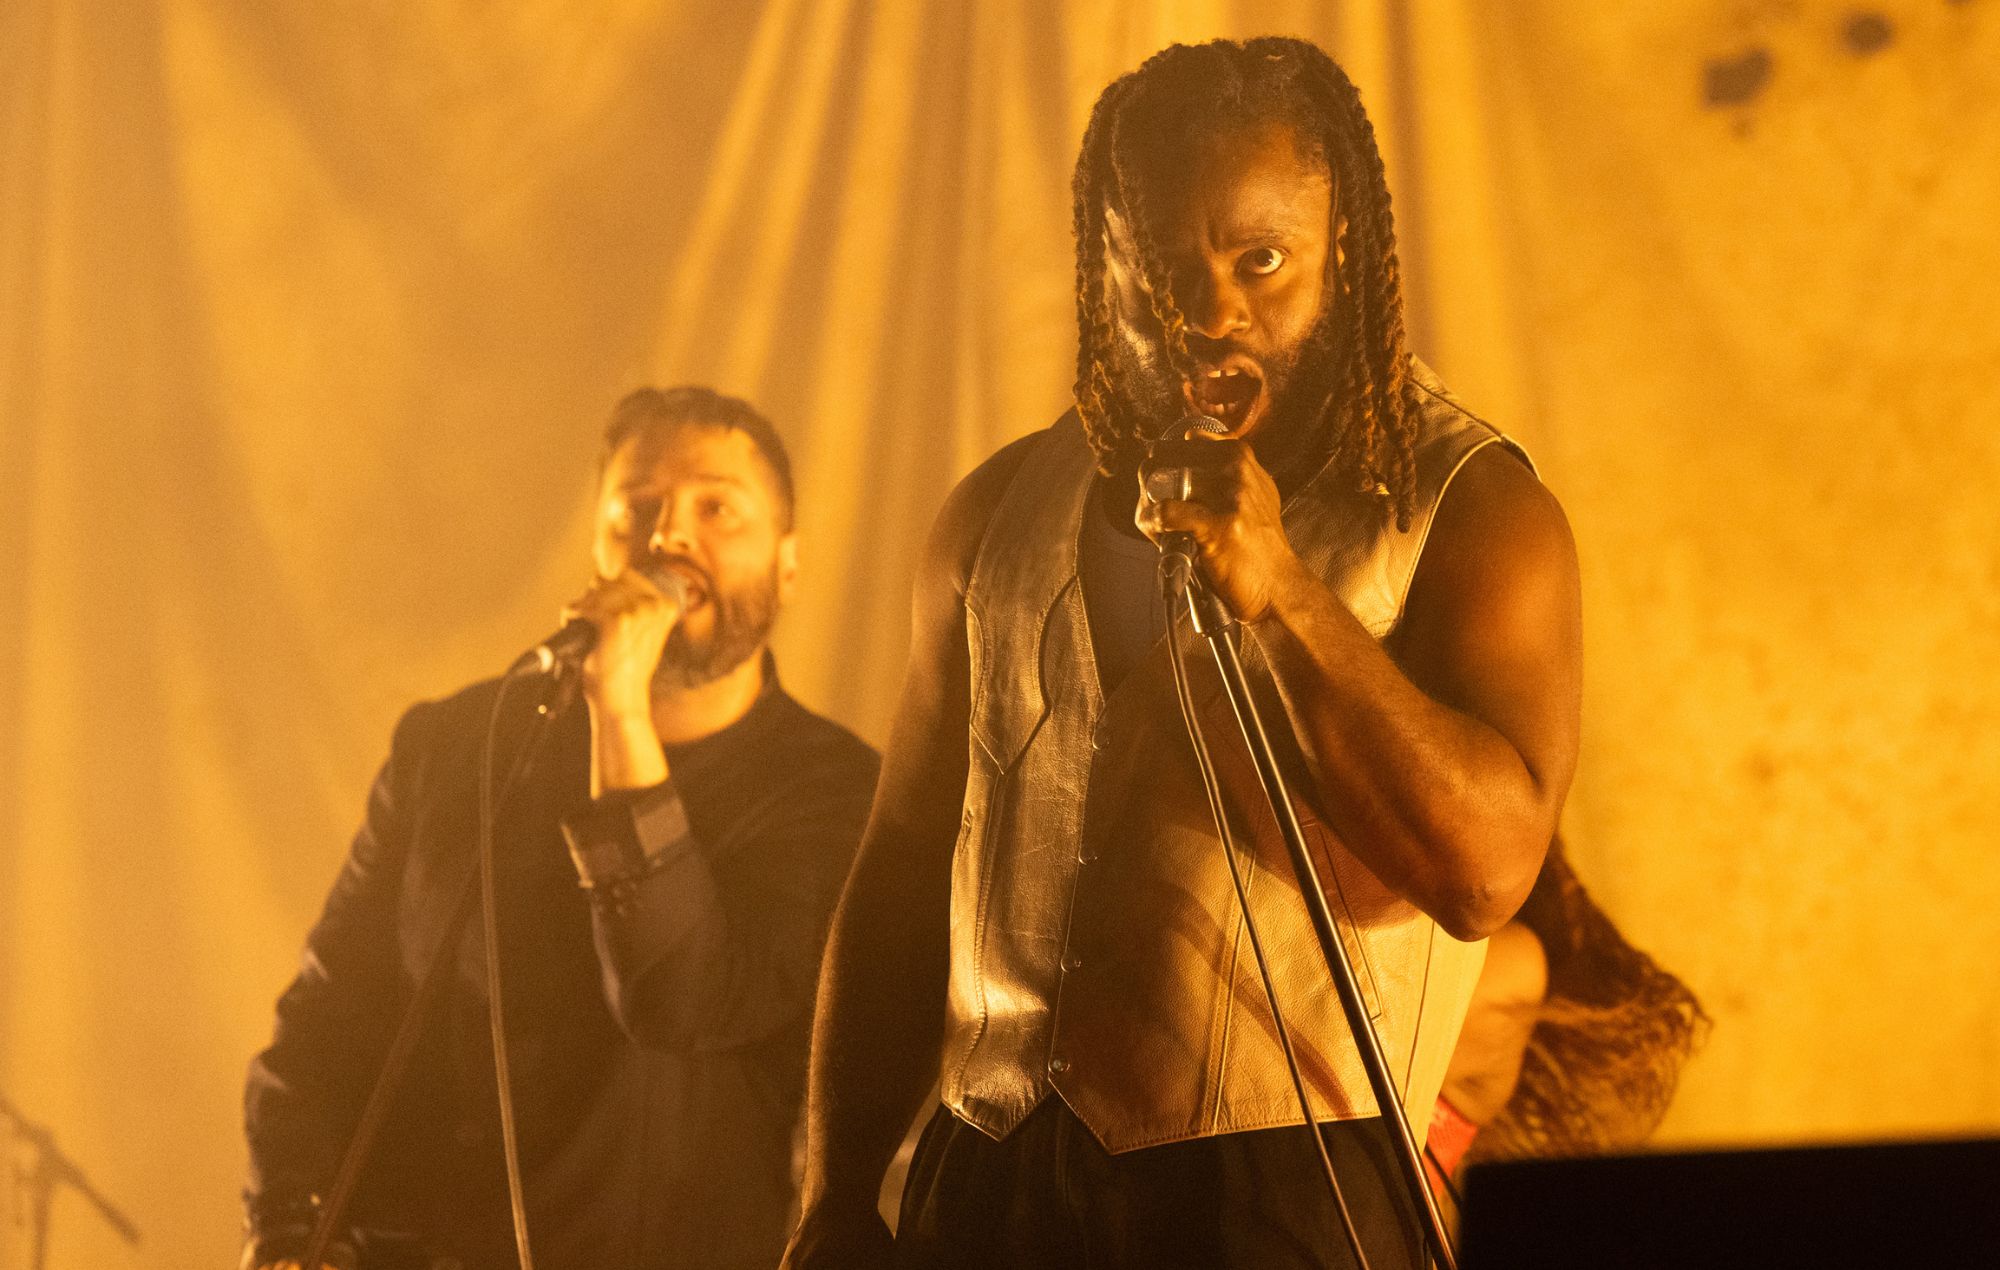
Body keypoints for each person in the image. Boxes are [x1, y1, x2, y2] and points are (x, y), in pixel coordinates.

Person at [784, 37, 1584, 1270]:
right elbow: (899, 867)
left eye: (1258, 260)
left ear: (1342, 251)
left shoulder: (1468, 511)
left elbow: (1485, 876)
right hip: (989, 1182)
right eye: (1160, 264)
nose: (1211, 311)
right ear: (1102, 260)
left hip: (1284, 1192)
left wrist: (1283, 594)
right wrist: (833, 1191)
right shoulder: (995, 513)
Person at [242, 387, 880, 1270]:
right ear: (599, 548)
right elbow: (326, 1020)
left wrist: (620, 707)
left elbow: (681, 1000)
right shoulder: (456, 748)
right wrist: (288, 1223)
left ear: (789, 564)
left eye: (717, 508)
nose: (670, 537)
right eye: (638, 510)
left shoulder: (836, 792)